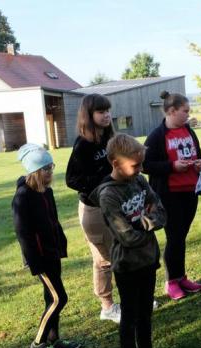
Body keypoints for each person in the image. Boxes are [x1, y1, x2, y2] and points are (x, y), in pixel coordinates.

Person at [90, 134, 177, 348]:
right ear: (115, 163)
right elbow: (125, 236)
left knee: (145, 314)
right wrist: (145, 224)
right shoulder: (108, 195)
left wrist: (144, 222)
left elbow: (160, 212)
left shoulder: (139, 181)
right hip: (127, 264)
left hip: (148, 258)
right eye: (135, 165)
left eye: (141, 165)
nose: (140, 170)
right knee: (130, 316)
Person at [12, 144, 81, 348]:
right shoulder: (23, 197)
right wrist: (35, 262)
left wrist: (60, 245)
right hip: (39, 259)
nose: (50, 172)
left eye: (51, 167)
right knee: (59, 298)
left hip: (52, 253)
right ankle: (38, 343)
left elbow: (53, 222)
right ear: (34, 171)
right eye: (46, 169)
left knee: (50, 298)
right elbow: (24, 234)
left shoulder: (46, 192)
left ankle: (54, 339)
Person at [142, 91, 201, 300]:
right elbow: (145, 165)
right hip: (169, 195)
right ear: (171, 111)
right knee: (174, 238)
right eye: (185, 110)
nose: (188, 114)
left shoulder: (188, 130)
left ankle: (181, 277)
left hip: (190, 192)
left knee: (181, 237)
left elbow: (198, 153)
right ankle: (171, 282)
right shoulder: (157, 136)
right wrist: (172, 166)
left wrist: (200, 163)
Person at [66, 94, 121, 323]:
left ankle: (128, 299)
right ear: (89, 115)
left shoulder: (109, 136)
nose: (106, 115)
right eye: (101, 112)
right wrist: (101, 185)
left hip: (114, 205)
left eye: (108, 110)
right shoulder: (83, 144)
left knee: (121, 252)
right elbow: (72, 179)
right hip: (94, 210)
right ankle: (107, 306)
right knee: (103, 259)